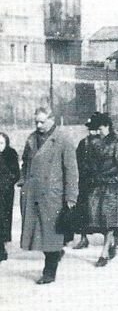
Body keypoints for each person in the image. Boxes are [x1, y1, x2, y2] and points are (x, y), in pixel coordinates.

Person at [19, 107, 79, 284]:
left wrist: (71, 197)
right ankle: (55, 254)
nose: (38, 125)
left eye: (42, 121)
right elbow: (25, 162)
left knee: (51, 234)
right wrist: (23, 182)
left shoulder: (63, 139)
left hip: (53, 196)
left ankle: (49, 271)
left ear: (52, 120)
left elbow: (71, 171)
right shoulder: (31, 138)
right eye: (36, 121)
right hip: (33, 194)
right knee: (39, 234)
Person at [83, 113, 118, 267]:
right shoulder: (91, 142)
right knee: (98, 220)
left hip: (112, 185)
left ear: (107, 126)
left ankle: (104, 253)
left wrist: (105, 173)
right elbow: (87, 162)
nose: (99, 131)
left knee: (110, 219)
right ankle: (110, 244)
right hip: (96, 185)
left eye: (101, 128)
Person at [73, 113, 100, 250]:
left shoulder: (105, 143)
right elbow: (77, 160)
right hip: (85, 181)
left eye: (94, 129)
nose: (92, 132)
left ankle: (114, 238)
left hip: (101, 182)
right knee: (83, 210)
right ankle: (84, 238)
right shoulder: (83, 143)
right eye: (90, 129)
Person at [0, 132, 20, 263]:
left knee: (4, 218)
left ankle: (2, 247)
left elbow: (16, 173)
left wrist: (7, 182)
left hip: (5, 193)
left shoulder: (10, 154)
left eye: (1, 143)